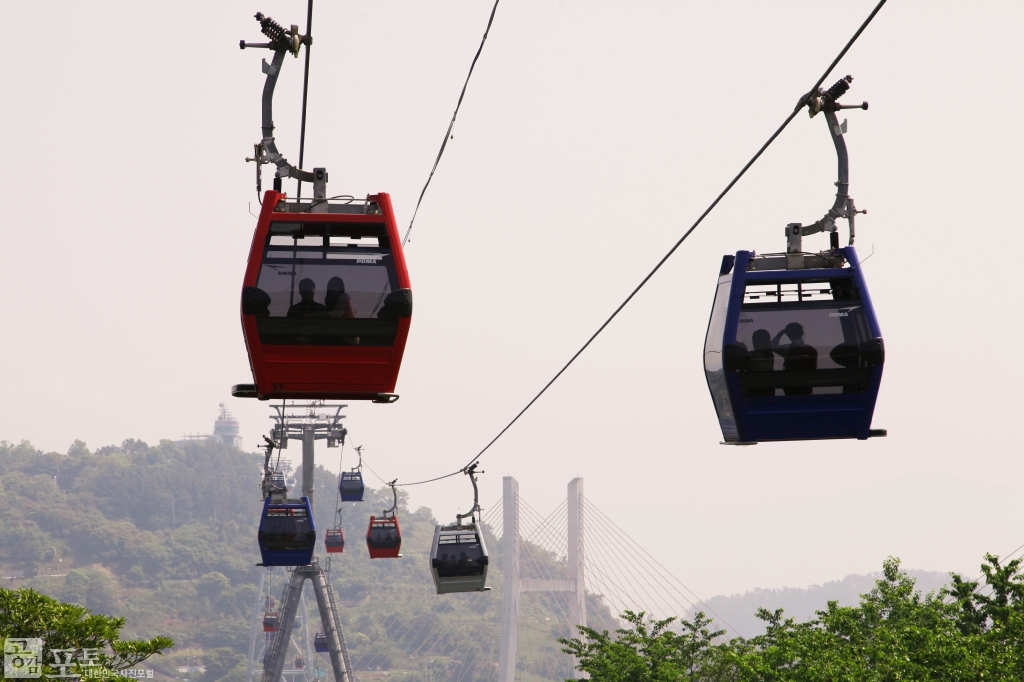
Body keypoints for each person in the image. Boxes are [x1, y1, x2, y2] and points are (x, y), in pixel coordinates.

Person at [772, 322, 818, 395]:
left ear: (788, 335)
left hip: (791, 388)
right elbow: (814, 367)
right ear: (802, 333)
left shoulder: (787, 349)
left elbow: (773, 346)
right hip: (807, 388)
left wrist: (781, 332)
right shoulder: (812, 350)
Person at [324, 276, 359, 345]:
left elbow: (338, 313)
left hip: (348, 339)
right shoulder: (335, 300)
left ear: (340, 288)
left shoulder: (343, 296)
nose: (332, 288)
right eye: (331, 286)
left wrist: (319, 315)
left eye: (335, 286)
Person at [745, 329, 777, 397]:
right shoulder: (749, 355)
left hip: (766, 394)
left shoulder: (770, 355)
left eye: (762, 341)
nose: (756, 344)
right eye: (755, 342)